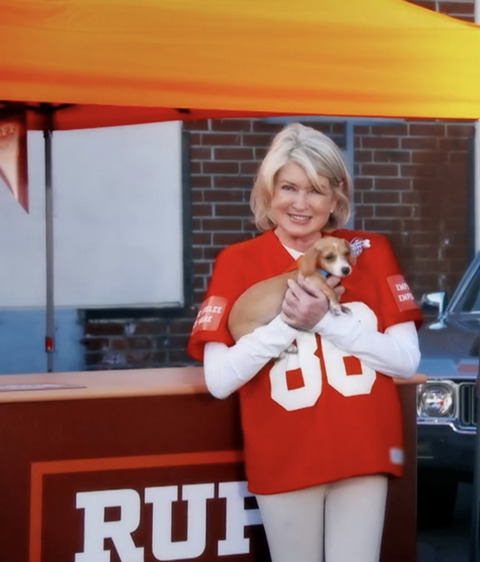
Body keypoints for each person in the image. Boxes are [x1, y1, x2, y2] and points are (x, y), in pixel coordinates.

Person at [186, 122, 422, 562]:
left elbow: (406, 361)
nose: (300, 203)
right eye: (288, 187)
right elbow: (219, 380)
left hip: (363, 448)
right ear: (267, 192)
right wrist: (289, 324)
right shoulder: (237, 261)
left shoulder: (371, 249)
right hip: (284, 454)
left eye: (315, 190)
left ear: (337, 197)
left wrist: (326, 322)